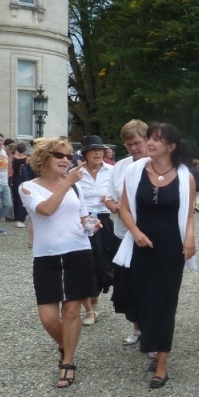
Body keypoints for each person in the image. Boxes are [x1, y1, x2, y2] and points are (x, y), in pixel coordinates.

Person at [113, 123, 196, 389]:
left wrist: (190, 237)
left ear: (171, 146)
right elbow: (124, 208)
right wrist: (135, 232)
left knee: (165, 305)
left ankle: (162, 363)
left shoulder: (186, 176)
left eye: (156, 140)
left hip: (171, 249)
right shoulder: (135, 171)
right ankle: (151, 341)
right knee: (143, 302)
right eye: (149, 138)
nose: (149, 143)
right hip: (141, 246)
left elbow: (189, 215)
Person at [19, 137, 97, 388]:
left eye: (69, 156)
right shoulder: (28, 187)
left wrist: (91, 224)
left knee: (72, 311)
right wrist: (67, 183)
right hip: (46, 256)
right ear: (44, 158)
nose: (66, 160)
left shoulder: (75, 187)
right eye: (60, 155)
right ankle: (65, 345)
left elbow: (83, 216)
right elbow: (46, 210)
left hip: (77, 251)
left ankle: (68, 361)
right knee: (48, 317)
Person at [105, 119, 148, 346]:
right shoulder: (120, 167)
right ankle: (137, 326)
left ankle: (151, 328)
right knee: (127, 286)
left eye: (137, 143)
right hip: (123, 235)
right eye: (129, 144)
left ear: (148, 140)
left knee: (148, 284)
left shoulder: (157, 164)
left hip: (150, 234)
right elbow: (110, 198)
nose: (133, 148)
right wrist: (114, 207)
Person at [76, 135, 116, 325]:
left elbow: (125, 195)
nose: (98, 153)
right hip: (82, 223)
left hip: (105, 221)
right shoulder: (75, 174)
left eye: (100, 149)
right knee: (84, 266)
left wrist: (112, 201)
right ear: (85, 154)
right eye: (93, 150)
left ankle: (95, 294)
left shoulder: (113, 171)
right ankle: (89, 311)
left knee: (105, 265)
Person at [11, 142, 31, 228]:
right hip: (23, 178)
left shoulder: (13, 157)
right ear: (25, 149)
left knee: (15, 197)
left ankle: (15, 216)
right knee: (21, 199)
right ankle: (20, 217)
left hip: (14, 178)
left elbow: (10, 168)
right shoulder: (27, 158)